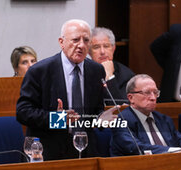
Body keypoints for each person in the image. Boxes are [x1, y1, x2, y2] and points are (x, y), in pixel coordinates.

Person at [16, 19, 117, 161]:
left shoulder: (96, 70)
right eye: (75, 40)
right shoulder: (39, 71)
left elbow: (94, 111)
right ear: (61, 42)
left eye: (86, 40)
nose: (81, 45)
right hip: (48, 152)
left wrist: (100, 119)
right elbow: (23, 112)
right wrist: (58, 119)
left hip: (85, 151)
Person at [110, 74, 181, 156]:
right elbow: (136, 148)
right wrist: (176, 151)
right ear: (131, 97)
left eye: (155, 92)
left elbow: (179, 139)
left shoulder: (164, 119)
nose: (153, 98)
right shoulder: (121, 121)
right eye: (147, 92)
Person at [89, 27, 135, 102]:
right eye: (96, 47)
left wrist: (109, 77)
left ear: (113, 48)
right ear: (89, 51)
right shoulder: (82, 71)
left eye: (106, 46)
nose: (102, 51)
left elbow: (120, 108)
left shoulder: (127, 76)